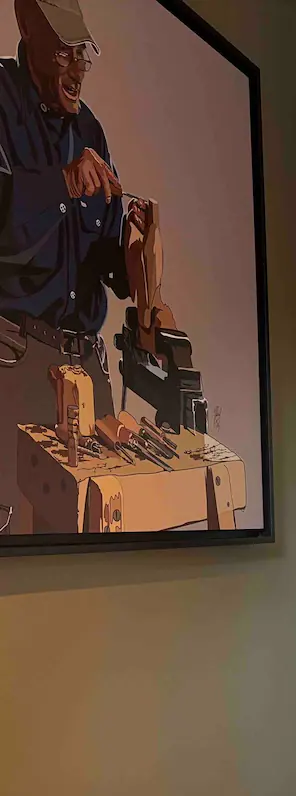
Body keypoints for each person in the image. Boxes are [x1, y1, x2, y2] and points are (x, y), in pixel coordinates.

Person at [0, 0, 154, 533]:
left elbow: (103, 260)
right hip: (17, 366)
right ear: (26, 29)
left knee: (100, 532)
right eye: (63, 53)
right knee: (19, 536)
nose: (76, 70)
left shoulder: (91, 130)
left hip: (88, 373)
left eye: (82, 54)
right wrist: (61, 183)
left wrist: (132, 255)